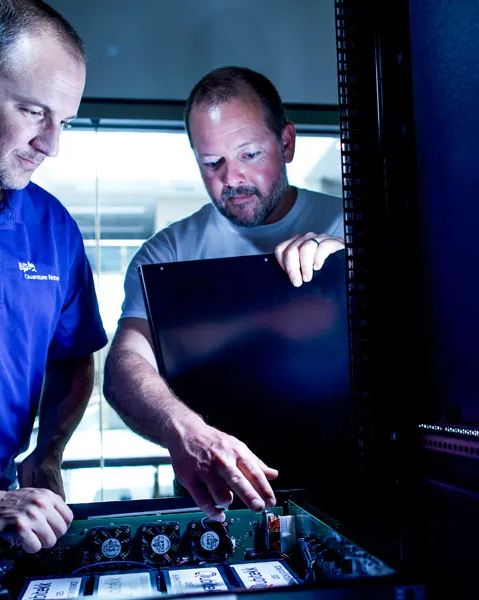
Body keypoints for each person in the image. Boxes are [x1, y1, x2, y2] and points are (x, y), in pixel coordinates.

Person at [103, 66, 346, 521]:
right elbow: (124, 368)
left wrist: (354, 265)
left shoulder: (351, 225)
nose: (231, 178)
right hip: (213, 503)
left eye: (250, 154)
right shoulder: (168, 252)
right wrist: (187, 432)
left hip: (351, 492)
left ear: (287, 143)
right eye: (211, 162)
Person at [0, 0, 107, 554]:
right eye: (32, 111)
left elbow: (73, 358)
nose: (51, 144)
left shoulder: (53, 227)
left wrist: (47, 453)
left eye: (64, 120)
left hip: (6, 522)